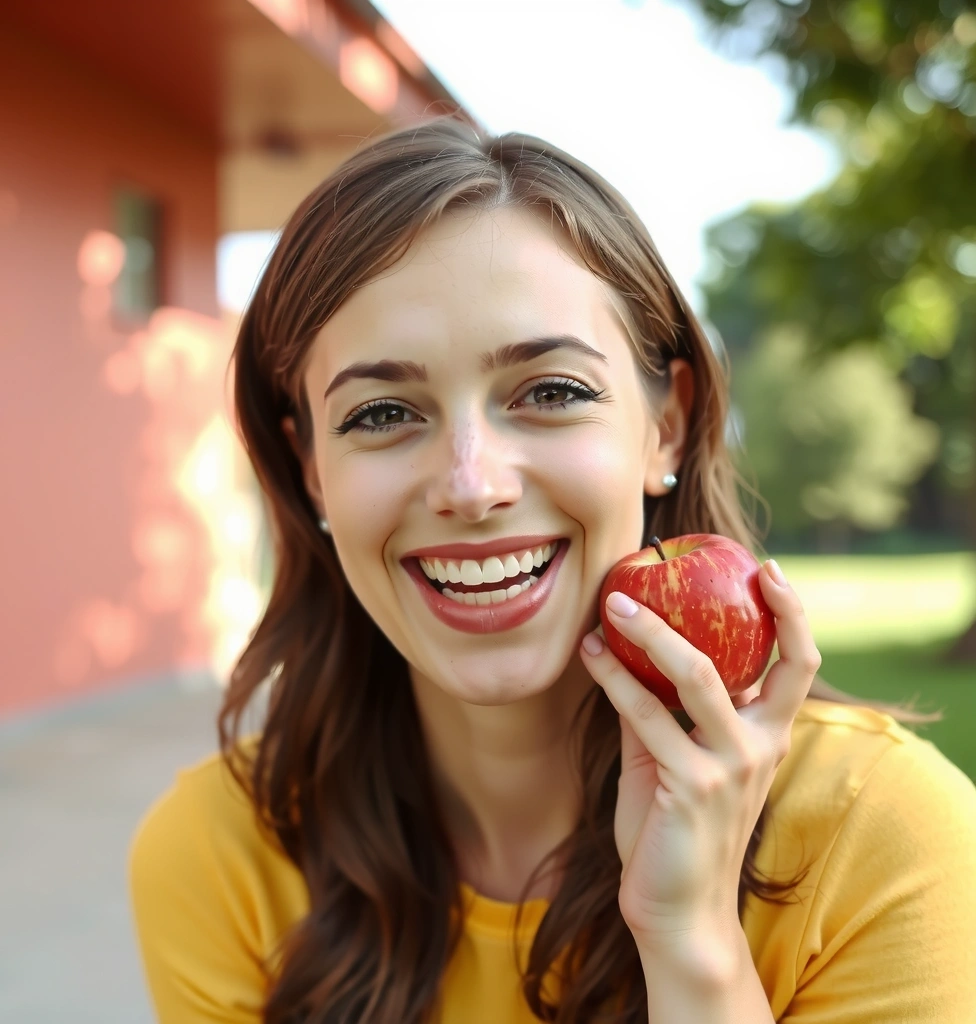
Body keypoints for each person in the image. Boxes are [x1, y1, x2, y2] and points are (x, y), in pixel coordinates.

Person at [128, 115, 976, 1023]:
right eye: (380, 413)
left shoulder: (886, 836)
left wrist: (691, 947)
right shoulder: (217, 854)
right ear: (310, 472)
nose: (471, 484)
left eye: (551, 393)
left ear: (667, 428)